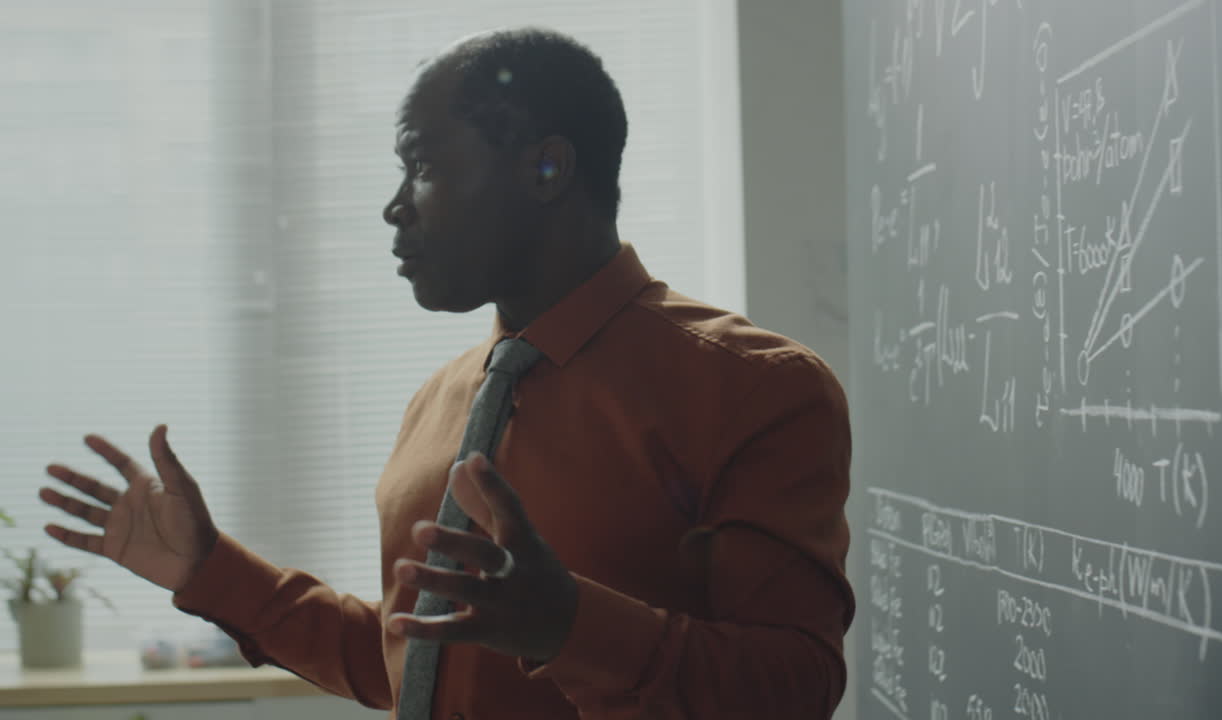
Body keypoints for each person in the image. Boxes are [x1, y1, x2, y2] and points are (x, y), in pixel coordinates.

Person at [38, 26, 855, 719]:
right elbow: (412, 663)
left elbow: (795, 685)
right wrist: (210, 572)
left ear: (547, 169)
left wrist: (568, 625)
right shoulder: (441, 402)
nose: (395, 207)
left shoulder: (756, 388)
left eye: (421, 165)